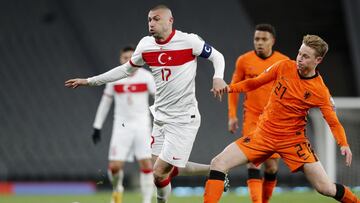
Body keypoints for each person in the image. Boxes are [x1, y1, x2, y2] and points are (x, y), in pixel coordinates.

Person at [65, 4, 228, 203]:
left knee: (159, 172)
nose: (151, 23)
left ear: (170, 20)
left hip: (183, 119)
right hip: (160, 118)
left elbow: (217, 56)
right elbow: (125, 70)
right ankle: (216, 169)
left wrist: (218, 77)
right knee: (160, 169)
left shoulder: (188, 41)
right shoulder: (145, 45)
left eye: (156, 19)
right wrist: (89, 81)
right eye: (149, 19)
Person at [204, 35, 359, 203]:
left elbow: (333, 122)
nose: (299, 59)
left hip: (293, 142)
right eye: (299, 53)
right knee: (218, 163)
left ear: (318, 60)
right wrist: (229, 88)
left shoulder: (319, 91)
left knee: (326, 188)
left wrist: (343, 143)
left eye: (305, 56)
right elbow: (254, 83)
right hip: (263, 136)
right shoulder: (284, 66)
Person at [228, 24, 289, 203]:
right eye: (257, 39)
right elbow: (234, 88)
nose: (259, 43)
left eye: (264, 39)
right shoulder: (244, 61)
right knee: (253, 161)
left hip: (275, 122)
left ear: (273, 41)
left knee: (271, 167)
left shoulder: (284, 62)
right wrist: (232, 115)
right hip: (252, 119)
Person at [91, 46, 155, 203]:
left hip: (142, 125)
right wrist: (97, 126)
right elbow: (105, 102)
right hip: (121, 126)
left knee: (147, 163)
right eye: (124, 58)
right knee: (114, 167)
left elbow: (159, 99)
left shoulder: (147, 77)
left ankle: (146, 200)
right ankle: (117, 189)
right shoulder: (115, 78)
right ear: (120, 60)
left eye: (131, 57)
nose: (128, 60)